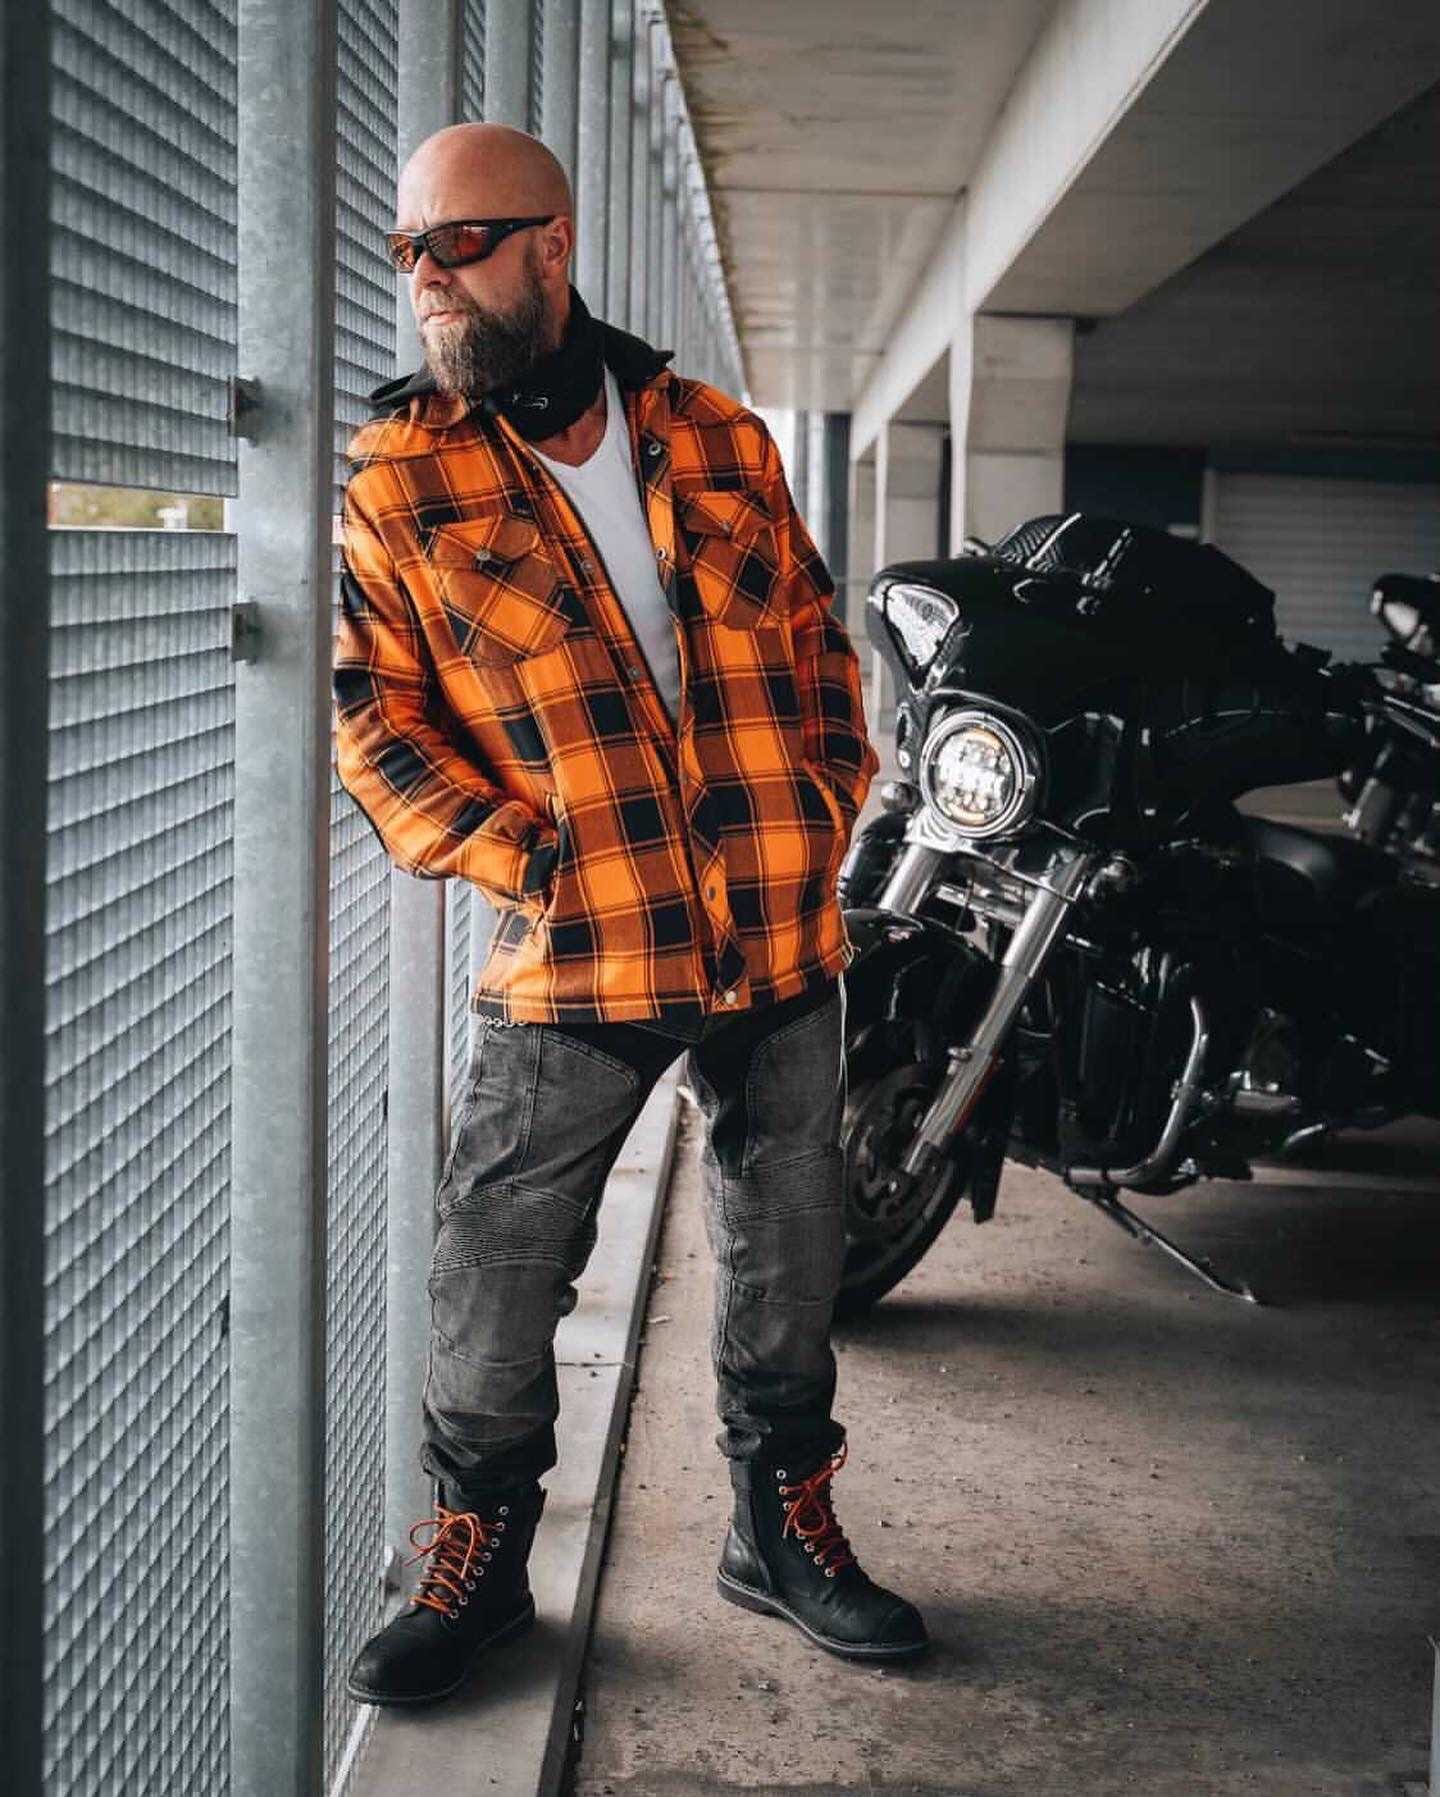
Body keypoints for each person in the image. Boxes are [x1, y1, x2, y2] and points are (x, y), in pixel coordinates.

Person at [333, 121, 926, 1708]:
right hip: (581, 937)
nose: (426, 278)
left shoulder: (717, 433)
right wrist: (517, 855)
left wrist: (822, 797)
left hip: (772, 918)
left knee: (789, 1235)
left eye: (458, 244)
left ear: (552, 243)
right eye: (407, 251)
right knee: (498, 1253)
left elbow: (817, 639)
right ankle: (476, 1559)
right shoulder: (399, 477)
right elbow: (372, 716)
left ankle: (778, 1527)